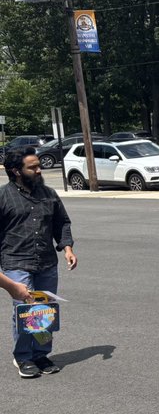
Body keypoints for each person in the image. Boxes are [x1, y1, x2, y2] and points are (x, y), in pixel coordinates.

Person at [0, 148, 76, 379]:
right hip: (16, 261)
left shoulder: (49, 194)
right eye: (32, 167)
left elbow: (61, 222)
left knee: (44, 310)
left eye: (38, 165)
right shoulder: (3, 197)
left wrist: (67, 248)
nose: (39, 169)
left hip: (46, 262)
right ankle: (23, 356)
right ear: (16, 171)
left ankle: (41, 353)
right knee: (25, 310)